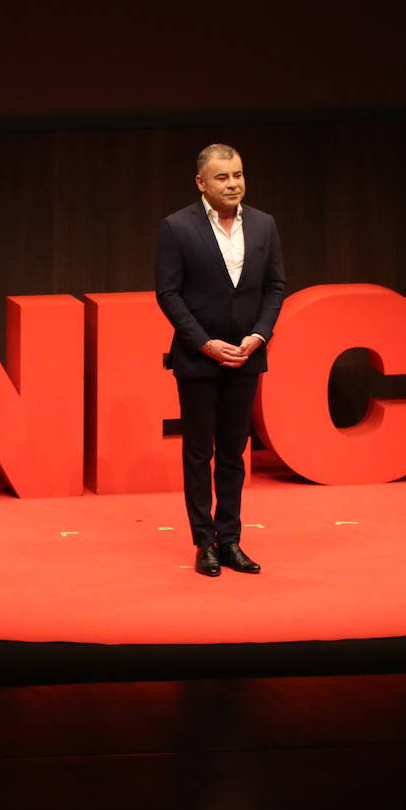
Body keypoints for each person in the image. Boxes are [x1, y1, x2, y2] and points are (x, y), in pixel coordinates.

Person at [155, 144, 286, 577]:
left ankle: (230, 540)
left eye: (238, 175)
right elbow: (168, 294)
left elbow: (274, 287)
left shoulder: (264, 225)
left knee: (234, 453)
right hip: (199, 359)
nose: (233, 184)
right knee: (199, 453)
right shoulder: (177, 227)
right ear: (202, 183)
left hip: (246, 355)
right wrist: (204, 343)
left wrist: (259, 335)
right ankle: (203, 542)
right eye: (223, 178)